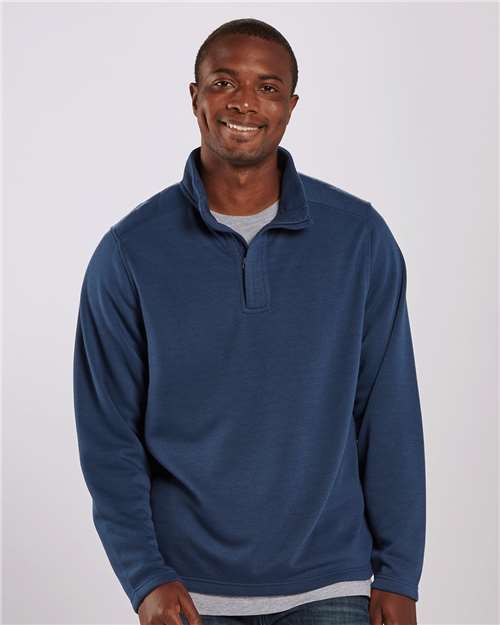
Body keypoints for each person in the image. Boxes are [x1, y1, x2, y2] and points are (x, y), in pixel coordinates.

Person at [73, 17, 426, 625]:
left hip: (332, 585)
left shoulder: (359, 239)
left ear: (291, 106)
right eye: (224, 82)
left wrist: (399, 573)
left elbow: (388, 411)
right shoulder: (130, 252)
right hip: (188, 594)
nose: (244, 102)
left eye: (267, 87)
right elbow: (109, 437)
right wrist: (145, 576)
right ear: (195, 97)